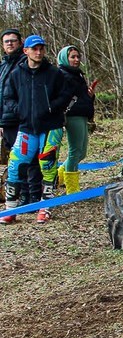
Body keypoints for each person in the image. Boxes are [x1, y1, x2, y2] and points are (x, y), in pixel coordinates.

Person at [1, 35, 68, 224]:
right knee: (16, 165)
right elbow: (8, 97)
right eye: (34, 49)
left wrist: (51, 108)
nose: (38, 52)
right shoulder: (17, 74)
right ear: (26, 51)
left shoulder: (54, 73)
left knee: (47, 166)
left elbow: (65, 95)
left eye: (41, 49)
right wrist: (20, 110)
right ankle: (11, 209)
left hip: (51, 127)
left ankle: (45, 208)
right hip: (26, 127)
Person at [56, 45, 95, 194]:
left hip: (82, 114)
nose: (76, 59)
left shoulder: (78, 75)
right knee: (75, 151)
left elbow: (82, 97)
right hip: (72, 115)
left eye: (78, 57)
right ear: (65, 58)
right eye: (72, 57)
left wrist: (90, 96)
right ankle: (72, 189)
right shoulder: (62, 75)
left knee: (82, 152)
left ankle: (58, 176)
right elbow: (62, 98)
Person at [0, 28, 24, 195]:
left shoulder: (25, 63)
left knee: (24, 157)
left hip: (22, 118)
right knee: (13, 157)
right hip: (6, 119)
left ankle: (27, 194)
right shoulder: (3, 66)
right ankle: (15, 192)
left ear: (20, 43)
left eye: (13, 40)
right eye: (6, 41)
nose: (10, 44)